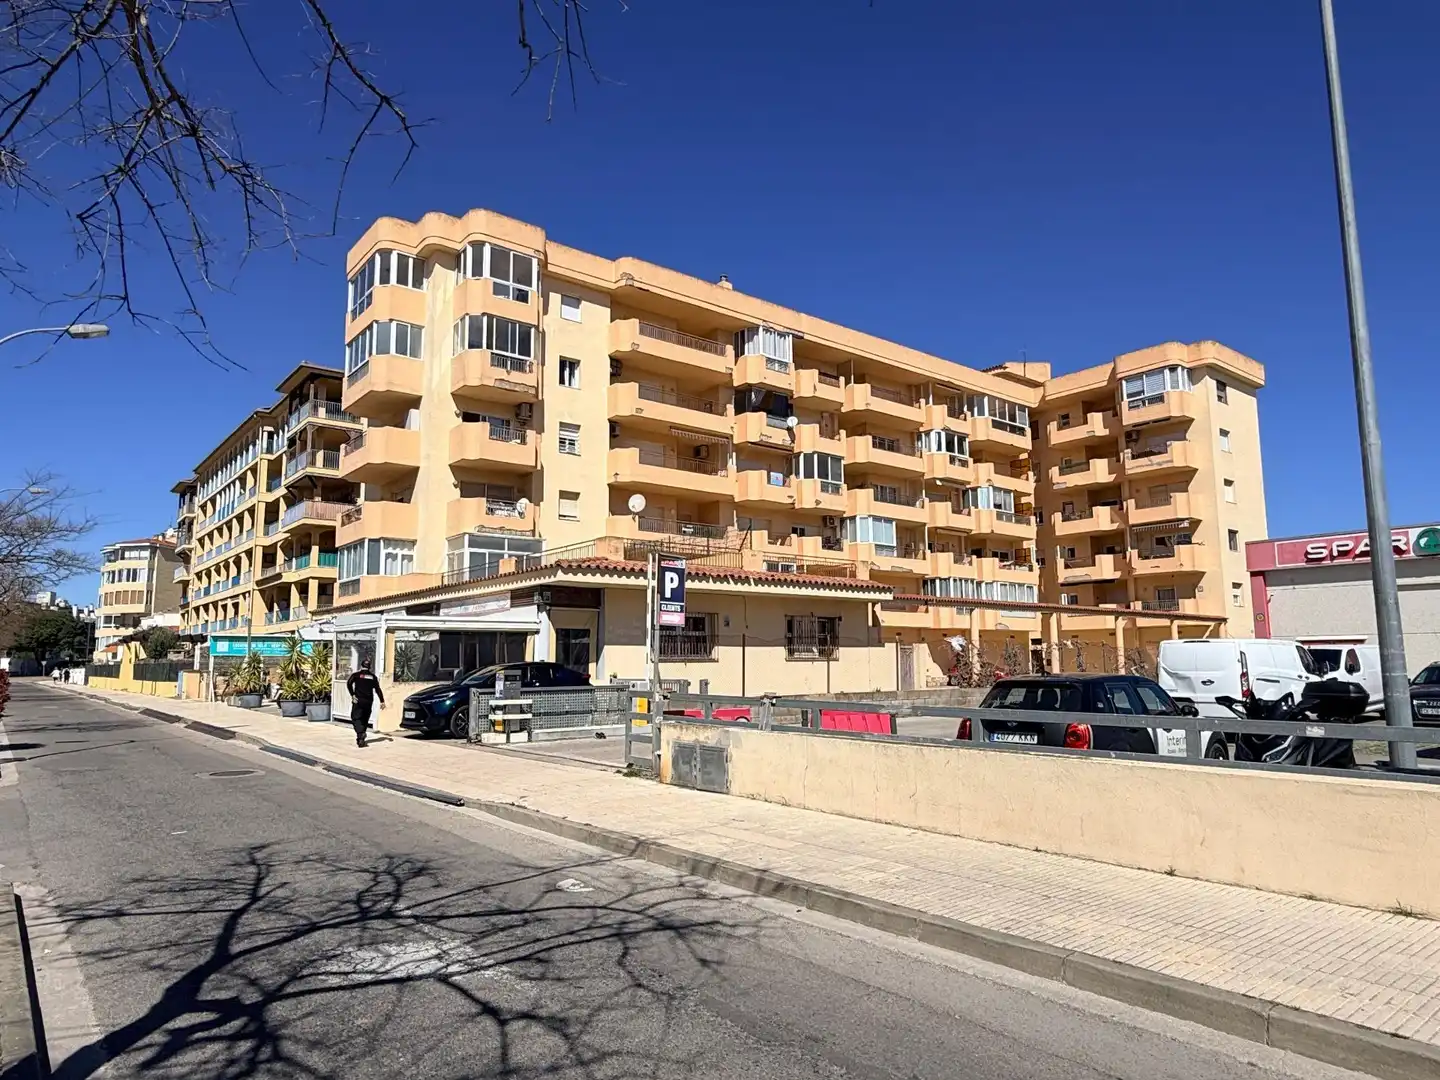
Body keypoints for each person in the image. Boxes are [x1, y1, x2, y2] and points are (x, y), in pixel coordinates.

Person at [345, 660, 384, 747]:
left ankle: (360, 734)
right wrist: (382, 701)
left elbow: (349, 683)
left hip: (358, 701)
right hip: (368, 701)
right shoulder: (373, 677)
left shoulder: (356, 675)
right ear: (370, 667)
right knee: (365, 719)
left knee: (355, 717)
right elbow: (378, 689)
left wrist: (353, 694)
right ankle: (361, 739)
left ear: (361, 666)